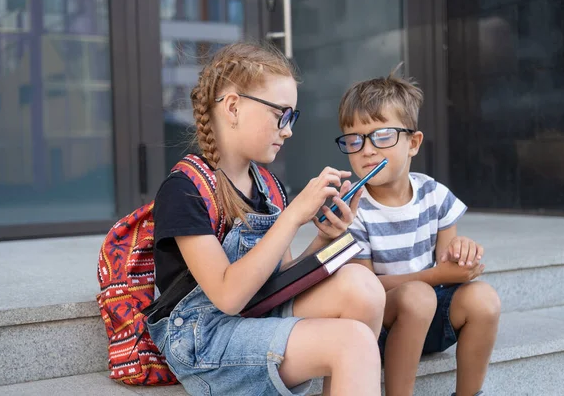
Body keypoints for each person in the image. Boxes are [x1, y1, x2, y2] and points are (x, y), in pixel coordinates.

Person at [146, 42, 385, 396]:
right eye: (281, 115)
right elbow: (228, 296)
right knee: (354, 343)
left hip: (255, 312)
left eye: (293, 118)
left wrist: (322, 239)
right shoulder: (186, 189)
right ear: (233, 107)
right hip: (203, 337)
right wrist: (292, 217)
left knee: (362, 286)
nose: (288, 130)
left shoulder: (269, 186)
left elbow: (279, 283)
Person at [335, 68, 501, 396]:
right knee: (418, 296)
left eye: (382, 136)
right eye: (354, 140)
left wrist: (463, 252)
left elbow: (449, 263)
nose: (366, 150)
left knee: (485, 299)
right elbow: (367, 289)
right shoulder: (352, 209)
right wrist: (438, 274)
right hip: (379, 327)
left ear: (413, 143)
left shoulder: (433, 194)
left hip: (430, 318)